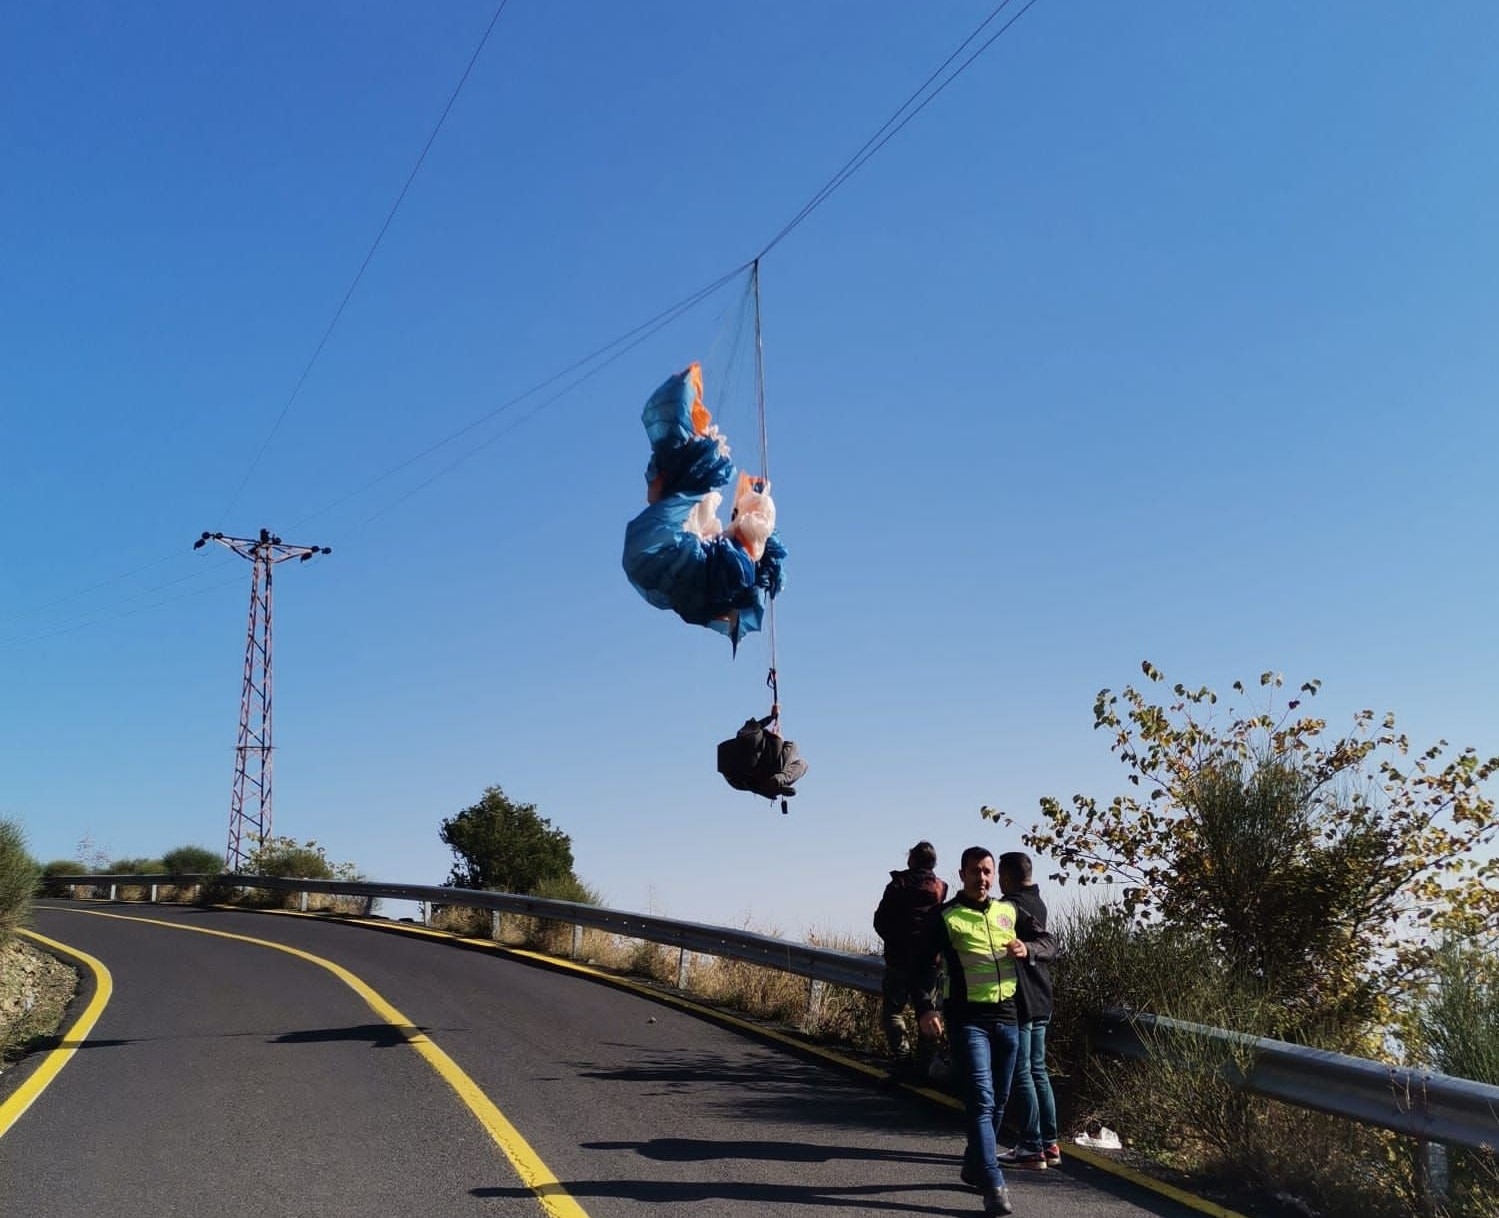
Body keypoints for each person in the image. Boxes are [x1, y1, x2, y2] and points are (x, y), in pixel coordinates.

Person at [915, 846, 1054, 1217]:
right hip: (967, 1020)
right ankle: (993, 1183)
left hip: (1008, 1018)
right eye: (975, 871)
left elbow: (1050, 943)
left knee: (1000, 1099)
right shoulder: (946, 917)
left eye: (988, 872)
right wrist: (926, 1008)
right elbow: (921, 965)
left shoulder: (1008, 911)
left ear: (995, 876)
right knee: (981, 1098)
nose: (983, 878)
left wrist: (1029, 948)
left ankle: (974, 1161)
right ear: (961, 874)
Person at [996, 851, 1060, 1171]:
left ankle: (1031, 1145)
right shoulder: (1039, 903)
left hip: (1020, 997)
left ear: (1006, 876)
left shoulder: (1010, 906)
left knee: (1022, 1071)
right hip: (1042, 996)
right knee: (1038, 1069)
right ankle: (1050, 1143)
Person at [872, 841, 949, 1075]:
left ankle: (903, 1057)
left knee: (894, 1010)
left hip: (899, 960)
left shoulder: (898, 885)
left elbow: (880, 920)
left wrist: (894, 942)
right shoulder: (940, 888)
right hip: (929, 962)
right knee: (927, 1013)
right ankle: (924, 1065)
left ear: (911, 860)